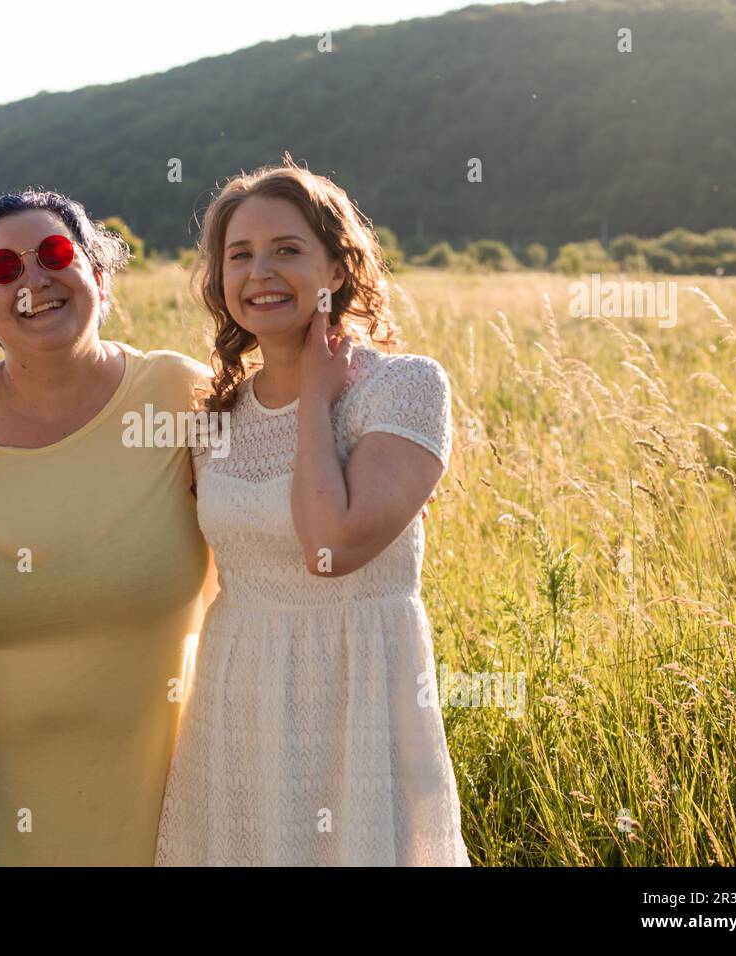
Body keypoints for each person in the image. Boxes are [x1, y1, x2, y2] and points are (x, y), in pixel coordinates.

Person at [155, 158, 471, 865]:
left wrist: (316, 400)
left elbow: (331, 545)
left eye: (287, 251)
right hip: (238, 699)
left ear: (336, 266)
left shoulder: (405, 388)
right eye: (240, 256)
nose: (260, 272)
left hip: (358, 693)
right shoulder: (218, 413)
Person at [0, 190, 211, 866]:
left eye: (56, 254)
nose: (34, 280)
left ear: (97, 271)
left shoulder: (180, 396)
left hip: (178, 808)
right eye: (3, 269)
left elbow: (280, 504)